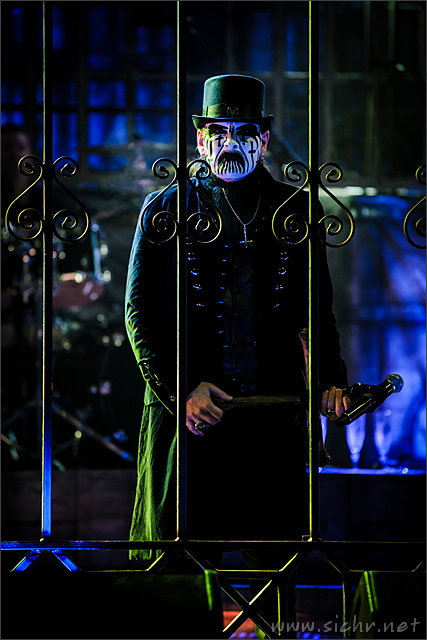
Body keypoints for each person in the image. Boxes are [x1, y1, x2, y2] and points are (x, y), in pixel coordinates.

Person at [125, 74, 350, 628]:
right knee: (179, 567)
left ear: (264, 140)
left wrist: (329, 380)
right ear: (201, 138)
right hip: (190, 419)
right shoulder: (167, 208)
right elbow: (140, 314)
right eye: (218, 132)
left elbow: (316, 309)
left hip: (269, 418)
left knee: (274, 563)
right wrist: (182, 388)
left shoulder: (293, 209)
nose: (229, 143)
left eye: (243, 132)